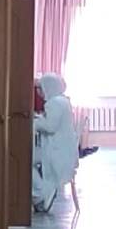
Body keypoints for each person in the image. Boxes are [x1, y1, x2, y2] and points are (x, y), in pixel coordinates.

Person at [32, 73, 80, 213]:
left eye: (41, 88)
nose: (39, 92)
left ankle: (41, 193)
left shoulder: (53, 103)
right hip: (63, 149)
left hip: (56, 151)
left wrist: (35, 122)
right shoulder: (63, 101)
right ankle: (43, 193)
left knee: (26, 161)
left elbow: (50, 127)